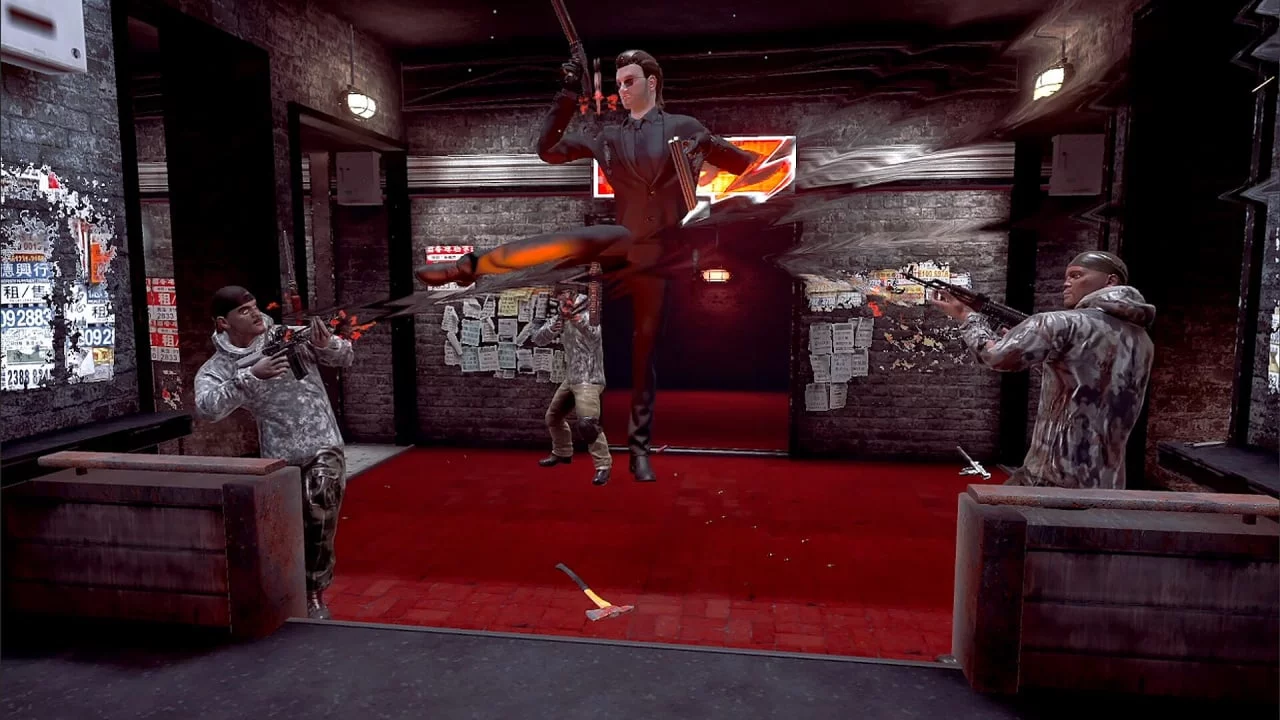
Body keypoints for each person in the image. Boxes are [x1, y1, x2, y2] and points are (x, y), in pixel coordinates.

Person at [415, 49, 759, 483]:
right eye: (620, 82)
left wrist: (711, 185)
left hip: (663, 253)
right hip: (623, 240)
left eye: (630, 81)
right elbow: (547, 151)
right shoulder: (608, 136)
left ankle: (639, 451)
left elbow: (747, 166)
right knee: (572, 241)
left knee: (644, 354)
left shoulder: (685, 128)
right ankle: (470, 266)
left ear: (653, 82)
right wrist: (566, 95)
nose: (623, 89)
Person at [929, 251, 1156, 490]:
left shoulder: (1060, 323)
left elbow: (994, 357)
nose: (1066, 283)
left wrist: (967, 316)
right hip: (1107, 481)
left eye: (1076, 275)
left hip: (1051, 475)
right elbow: (1085, 383)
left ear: (1111, 281)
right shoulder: (1142, 340)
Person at [193, 285, 354, 619]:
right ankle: (286, 590)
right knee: (287, 526)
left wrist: (327, 344)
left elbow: (344, 357)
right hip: (279, 453)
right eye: (243, 311)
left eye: (254, 306)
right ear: (223, 323)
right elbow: (207, 408)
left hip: (323, 441)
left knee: (320, 501)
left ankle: (313, 592)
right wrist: (251, 376)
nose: (254, 313)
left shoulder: (287, 336)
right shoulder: (220, 366)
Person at [531, 283, 611, 486]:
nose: (559, 298)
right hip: (572, 376)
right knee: (553, 417)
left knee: (587, 424)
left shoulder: (588, 309)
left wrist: (575, 319)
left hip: (589, 377)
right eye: (557, 295)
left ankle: (603, 466)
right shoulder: (561, 313)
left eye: (562, 293)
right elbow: (538, 339)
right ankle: (562, 452)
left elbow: (595, 335)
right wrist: (554, 326)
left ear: (573, 292)